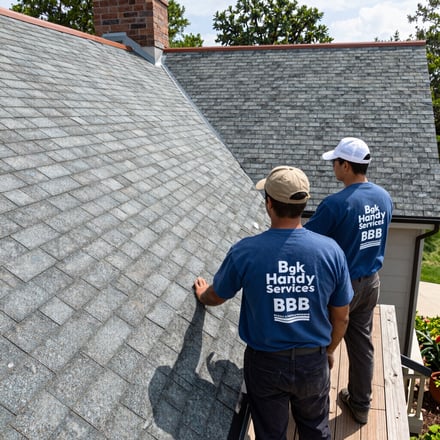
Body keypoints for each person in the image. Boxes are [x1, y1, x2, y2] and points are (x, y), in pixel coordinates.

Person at [194, 165, 353, 440]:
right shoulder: (331, 252)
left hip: (265, 364)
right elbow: (342, 318)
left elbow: (217, 296)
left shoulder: (246, 251)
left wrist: (203, 294)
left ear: (269, 203)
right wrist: (328, 350)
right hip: (312, 361)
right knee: (316, 430)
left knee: (270, 434)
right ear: (304, 203)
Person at [304, 137, 393, 425]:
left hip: (343, 288)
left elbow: (305, 241)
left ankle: (311, 408)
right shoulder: (383, 197)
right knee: (361, 344)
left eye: (335, 162)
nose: (333, 167)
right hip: (371, 283)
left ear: (345, 165)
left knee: (321, 343)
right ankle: (360, 404)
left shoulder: (336, 204)